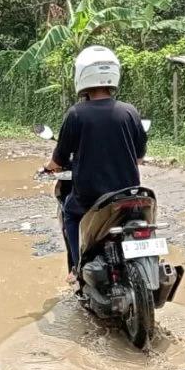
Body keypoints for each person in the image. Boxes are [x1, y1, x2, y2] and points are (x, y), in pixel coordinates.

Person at [44, 46, 148, 278]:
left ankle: (77, 267)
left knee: (69, 213)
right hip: (130, 194)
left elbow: (59, 159)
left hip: (90, 197)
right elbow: (139, 156)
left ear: (81, 76)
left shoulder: (76, 114)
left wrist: (49, 167)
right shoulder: (130, 112)